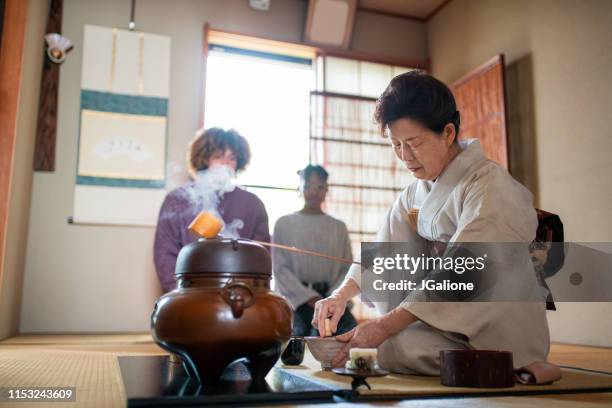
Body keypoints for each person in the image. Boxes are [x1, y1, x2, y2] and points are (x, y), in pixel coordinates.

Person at [312, 71, 550, 375]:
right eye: (396, 144)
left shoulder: (489, 185)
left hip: (497, 328)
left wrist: (383, 327)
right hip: (444, 323)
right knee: (384, 346)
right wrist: (340, 295)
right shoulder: (415, 192)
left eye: (413, 143)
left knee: (391, 347)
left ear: (448, 133)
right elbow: (384, 252)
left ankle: (513, 362)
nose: (404, 156)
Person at [154, 127, 270, 292]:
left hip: (240, 296)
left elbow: (261, 257)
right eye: (218, 157)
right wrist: (179, 295)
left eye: (232, 158)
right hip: (188, 293)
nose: (225, 164)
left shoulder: (253, 204)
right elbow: (164, 256)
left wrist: (244, 294)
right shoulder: (177, 200)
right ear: (204, 159)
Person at [273, 165, 357, 336]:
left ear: (327, 189)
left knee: (352, 337)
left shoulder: (338, 227)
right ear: (299, 188)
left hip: (333, 300)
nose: (313, 192)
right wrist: (310, 298)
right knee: (293, 343)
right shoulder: (283, 223)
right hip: (296, 302)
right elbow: (280, 270)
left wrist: (333, 297)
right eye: (307, 186)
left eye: (319, 187)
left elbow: (347, 269)